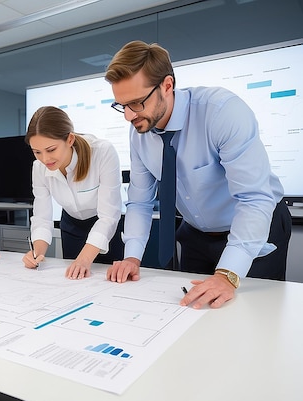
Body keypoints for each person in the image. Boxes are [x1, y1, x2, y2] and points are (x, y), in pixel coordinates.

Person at [104, 40, 292, 309]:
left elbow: (253, 198)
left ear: (167, 86)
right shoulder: (139, 133)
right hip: (195, 235)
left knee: (253, 319)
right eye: (122, 105)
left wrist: (227, 274)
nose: (128, 116)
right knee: (190, 315)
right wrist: (132, 257)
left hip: (254, 227)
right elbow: (140, 201)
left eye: (136, 103)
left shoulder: (221, 112)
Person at [22, 106, 123, 279]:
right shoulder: (39, 168)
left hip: (106, 226)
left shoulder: (102, 152)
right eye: (37, 152)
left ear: (69, 139)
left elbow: (108, 216)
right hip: (71, 226)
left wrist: (84, 259)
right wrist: (36, 253)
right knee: (75, 282)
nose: (45, 159)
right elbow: (41, 217)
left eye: (51, 149)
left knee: (110, 282)